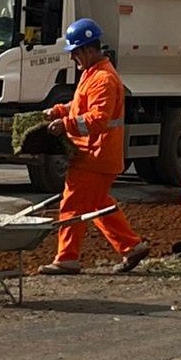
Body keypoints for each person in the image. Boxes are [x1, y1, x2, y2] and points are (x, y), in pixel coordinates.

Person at [38, 19, 149, 275]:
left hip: (94, 154)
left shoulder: (102, 79)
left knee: (72, 205)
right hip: (97, 154)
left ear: (88, 50)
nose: (73, 58)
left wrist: (65, 125)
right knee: (98, 205)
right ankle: (132, 247)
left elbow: (97, 120)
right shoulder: (93, 74)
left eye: (75, 53)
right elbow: (80, 106)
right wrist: (57, 111)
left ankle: (66, 259)